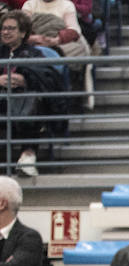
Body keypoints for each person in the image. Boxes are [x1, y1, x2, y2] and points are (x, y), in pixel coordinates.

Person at [0, 11, 61, 176]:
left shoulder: (35, 54)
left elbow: (47, 79)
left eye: (11, 28)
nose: (5, 32)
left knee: (34, 104)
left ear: (22, 32)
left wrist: (26, 80)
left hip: (23, 105)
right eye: (3, 28)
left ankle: (28, 157)